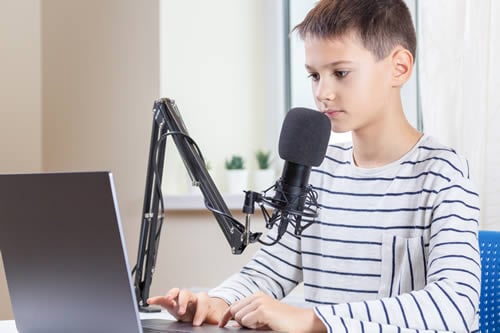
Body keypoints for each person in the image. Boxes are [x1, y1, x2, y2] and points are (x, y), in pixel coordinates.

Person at [148, 0, 481, 331]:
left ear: (399, 68)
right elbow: (267, 272)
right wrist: (216, 302)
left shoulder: (442, 174)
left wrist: (312, 320)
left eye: (340, 73)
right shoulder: (317, 172)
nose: (323, 92)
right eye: (314, 75)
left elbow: (453, 307)